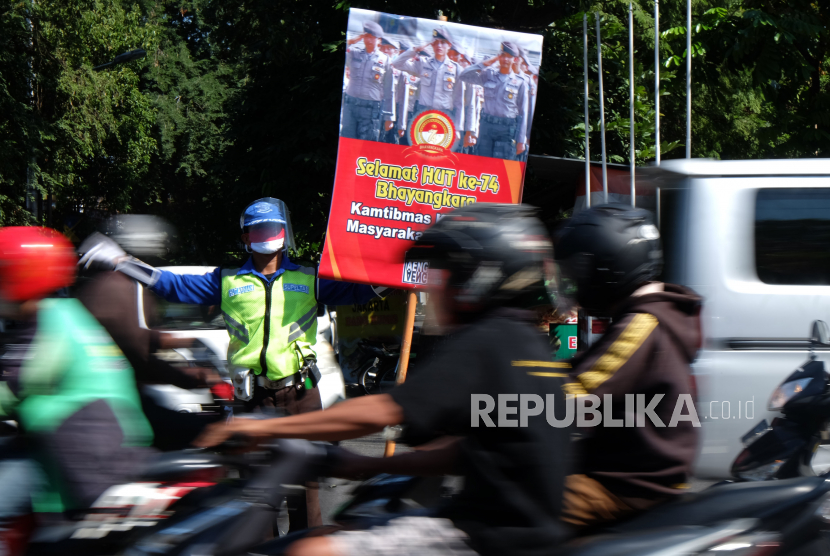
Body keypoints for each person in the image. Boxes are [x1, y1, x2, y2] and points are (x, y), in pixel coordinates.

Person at [195, 204, 573, 556]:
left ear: (477, 278)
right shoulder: (529, 345)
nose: (434, 285)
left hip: (484, 535)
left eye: (443, 272)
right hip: (521, 532)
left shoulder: (486, 341)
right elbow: (473, 454)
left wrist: (266, 431)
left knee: (311, 549)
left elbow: (381, 409)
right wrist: (375, 465)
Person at [77, 198, 391, 532]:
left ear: (285, 233)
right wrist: (121, 261)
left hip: (302, 396)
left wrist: (399, 272)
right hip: (252, 400)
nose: (266, 235)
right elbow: (168, 284)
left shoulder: (310, 279)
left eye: (272, 228)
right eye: (257, 229)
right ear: (245, 237)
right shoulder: (225, 280)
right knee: (257, 494)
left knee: (305, 488)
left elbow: (361, 292)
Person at [552, 205, 702, 531]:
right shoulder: (664, 314)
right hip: (629, 466)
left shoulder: (642, 324)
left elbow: (578, 393)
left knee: (521, 509)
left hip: (629, 484)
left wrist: (506, 401)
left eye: (580, 270)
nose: (574, 282)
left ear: (608, 267)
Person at [0, 227, 153, 521]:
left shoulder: (45, 324)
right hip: (101, 445)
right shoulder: (67, 313)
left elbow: (11, 388)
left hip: (84, 457)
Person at [76, 215, 223, 451]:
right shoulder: (119, 287)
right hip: (111, 403)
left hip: (116, 397)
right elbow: (139, 355)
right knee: (205, 433)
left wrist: (186, 340)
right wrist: (191, 378)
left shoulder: (117, 284)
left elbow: (133, 336)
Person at [392, 26, 466, 150]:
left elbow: (459, 101)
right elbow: (397, 64)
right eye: (436, 42)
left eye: (443, 43)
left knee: (440, 155)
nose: (439, 46)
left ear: (449, 45)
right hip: (423, 115)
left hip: (444, 117)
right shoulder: (423, 63)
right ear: (431, 45)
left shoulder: (456, 69)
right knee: (420, 153)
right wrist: (415, 49)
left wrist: (457, 128)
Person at [459, 41, 529, 160]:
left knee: (501, 166)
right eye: (502, 55)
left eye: (509, 56)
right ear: (499, 56)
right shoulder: (488, 74)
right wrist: (485, 64)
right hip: (487, 126)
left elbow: (523, 112)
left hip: (506, 130)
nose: (505, 59)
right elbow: (463, 76)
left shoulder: (520, 82)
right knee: (482, 163)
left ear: (515, 60)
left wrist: (521, 140)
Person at [342, 21, 390, 142]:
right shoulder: (354, 54)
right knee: (346, 141)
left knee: (365, 145)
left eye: (373, 37)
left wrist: (389, 116)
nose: (369, 40)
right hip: (351, 105)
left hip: (370, 109)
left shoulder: (385, 60)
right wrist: (353, 41)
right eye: (367, 36)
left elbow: (389, 89)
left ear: (379, 40)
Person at [379, 37, 404, 145]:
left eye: (389, 48)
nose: (385, 50)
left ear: (396, 52)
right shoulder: (376, 66)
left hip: (392, 114)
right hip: (373, 111)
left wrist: (401, 124)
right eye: (382, 47)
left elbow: (404, 100)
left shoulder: (401, 71)